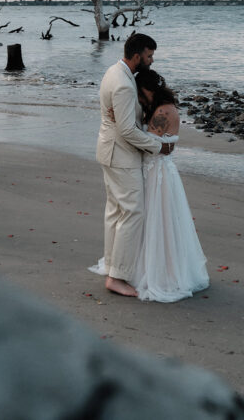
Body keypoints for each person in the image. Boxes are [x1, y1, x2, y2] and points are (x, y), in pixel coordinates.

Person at [92, 33, 173, 297]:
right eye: (149, 56)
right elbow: (127, 130)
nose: (151, 60)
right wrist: (158, 146)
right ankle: (118, 277)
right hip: (122, 156)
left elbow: (120, 121)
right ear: (137, 55)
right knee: (132, 213)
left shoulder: (113, 72)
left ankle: (112, 266)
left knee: (115, 212)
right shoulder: (126, 85)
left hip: (108, 151)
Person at [128, 69, 209, 302]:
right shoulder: (163, 107)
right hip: (160, 170)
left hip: (157, 172)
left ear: (148, 89)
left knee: (158, 220)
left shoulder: (162, 112)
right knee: (161, 220)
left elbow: (155, 145)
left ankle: (162, 273)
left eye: (139, 91)